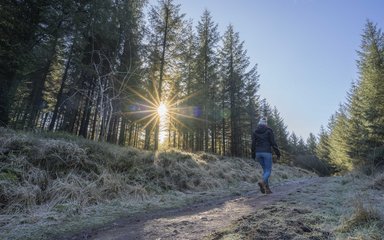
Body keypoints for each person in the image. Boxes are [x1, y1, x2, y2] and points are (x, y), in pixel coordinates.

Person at [251, 117, 281, 194]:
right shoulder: (269, 131)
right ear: (266, 123)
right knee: (268, 170)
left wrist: (253, 154)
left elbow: (253, 144)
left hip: (258, 153)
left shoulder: (255, 132)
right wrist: (278, 153)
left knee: (265, 171)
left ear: (259, 123)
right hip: (267, 152)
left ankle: (267, 189)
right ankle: (262, 181)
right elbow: (273, 143)